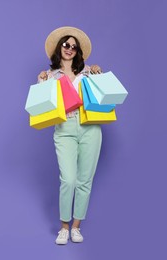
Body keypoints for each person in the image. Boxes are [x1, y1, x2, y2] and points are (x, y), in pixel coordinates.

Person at [37, 26, 102, 245]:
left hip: (90, 127)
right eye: (66, 44)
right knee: (69, 179)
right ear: (59, 47)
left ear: (78, 51)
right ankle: (64, 227)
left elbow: (102, 97)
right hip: (64, 129)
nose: (69, 49)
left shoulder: (87, 72)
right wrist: (41, 81)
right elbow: (42, 105)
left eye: (74, 47)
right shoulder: (50, 75)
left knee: (85, 180)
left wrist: (98, 74)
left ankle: (76, 226)